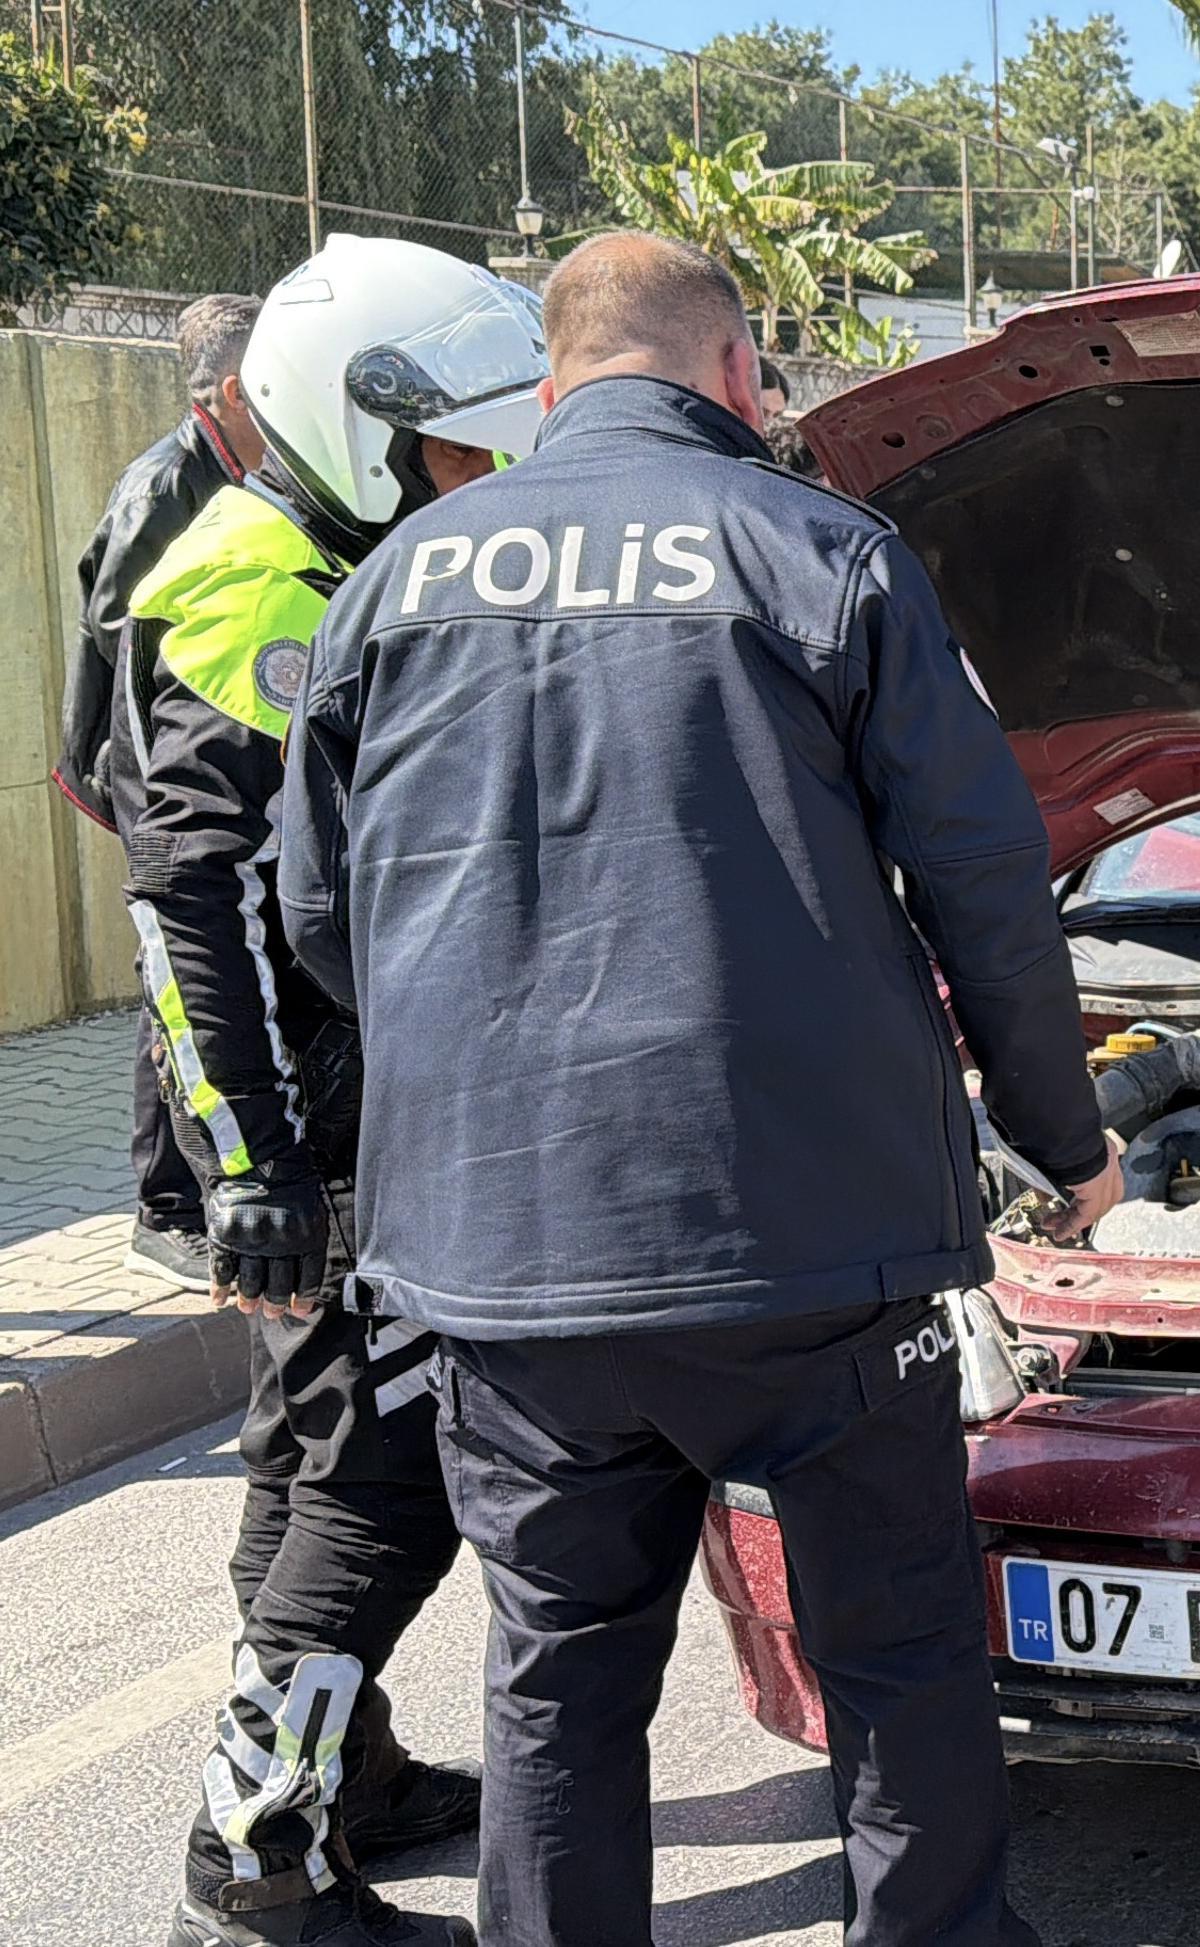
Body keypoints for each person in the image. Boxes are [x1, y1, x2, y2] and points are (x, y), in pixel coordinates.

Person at [277, 232, 1124, 1947]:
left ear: (549, 384)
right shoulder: (827, 553)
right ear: (736, 370)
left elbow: (314, 912)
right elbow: (988, 885)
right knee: (893, 1653)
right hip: (812, 1252)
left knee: (560, 1672)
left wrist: (479, 1076)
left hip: (506, 1257)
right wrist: (1066, 1140)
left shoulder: (394, 579)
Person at [148, 236, 549, 1947]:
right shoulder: (262, 594)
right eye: (463, 446)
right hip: (309, 1139)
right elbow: (194, 896)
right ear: (362, 427)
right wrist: (259, 1166)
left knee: (303, 1457)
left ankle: (349, 1776)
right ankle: (254, 1860)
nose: (487, 477)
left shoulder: (324, 555)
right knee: (381, 1483)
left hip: (320, 1121)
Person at [59, 294, 266, 1292]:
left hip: (190, 757)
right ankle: (165, 1204)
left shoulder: (234, 474)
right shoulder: (165, 487)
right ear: (228, 393)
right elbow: (126, 647)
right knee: (175, 972)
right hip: (151, 764)